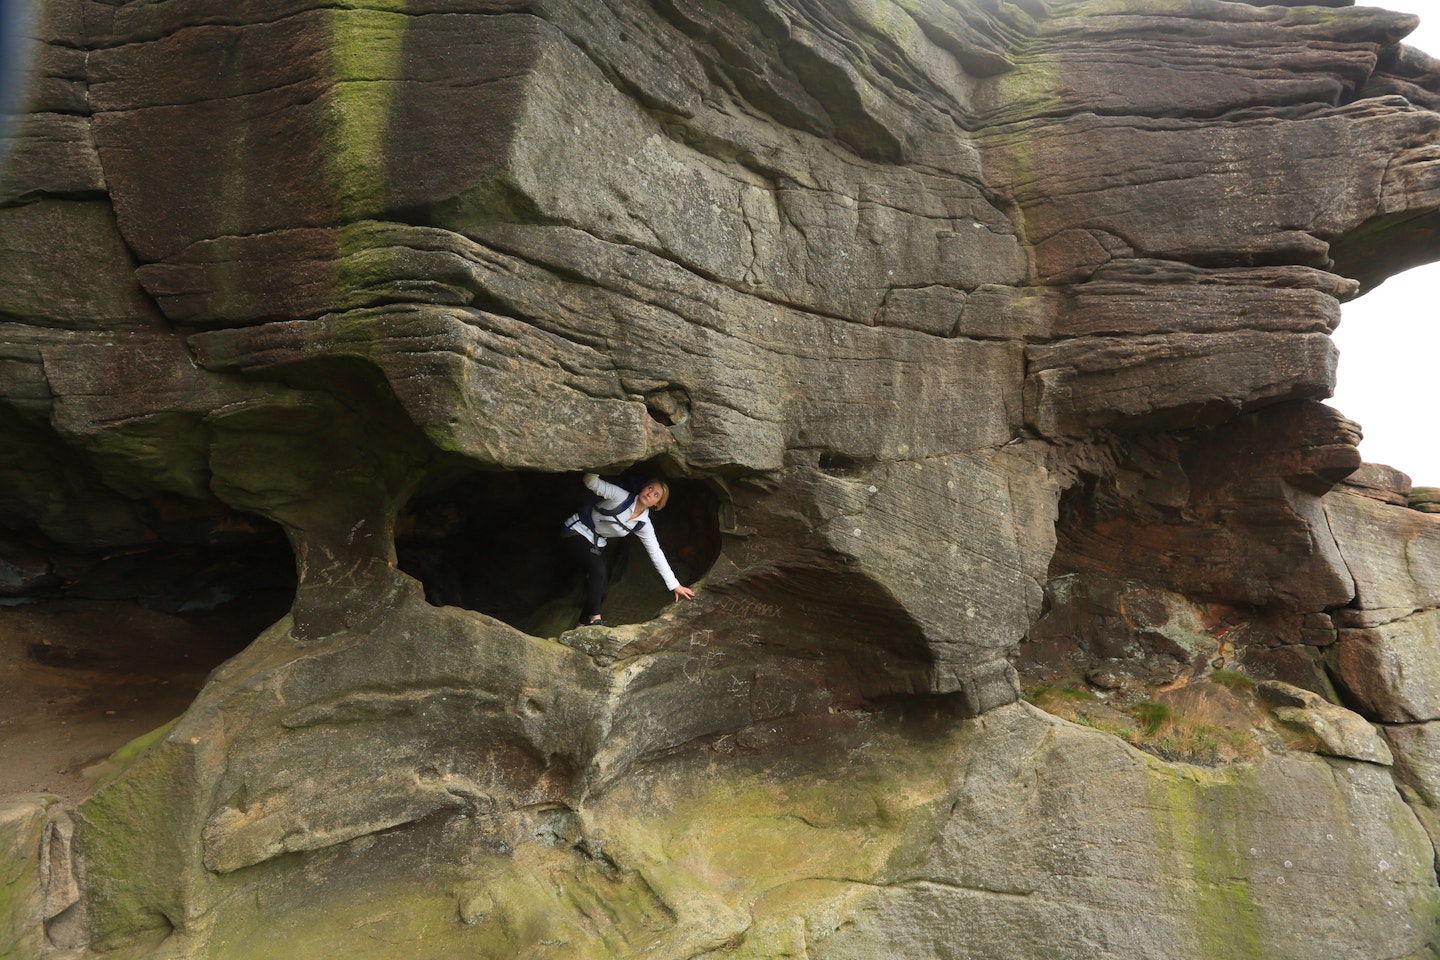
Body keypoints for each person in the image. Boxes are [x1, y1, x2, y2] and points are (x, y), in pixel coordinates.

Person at [561, 473, 696, 627]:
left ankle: (581, 625)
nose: (650, 493)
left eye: (656, 494)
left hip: (596, 543)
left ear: (657, 504)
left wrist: (674, 585)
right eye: (650, 488)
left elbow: (655, 553)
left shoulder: (642, 524)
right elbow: (591, 482)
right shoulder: (621, 497)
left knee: (602, 588)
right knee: (598, 570)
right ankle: (595, 619)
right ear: (643, 488)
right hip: (576, 530)